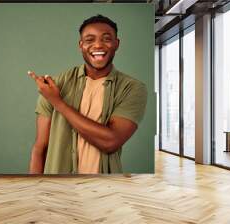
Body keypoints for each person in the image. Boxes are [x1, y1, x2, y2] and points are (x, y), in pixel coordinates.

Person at [28, 14, 147, 174]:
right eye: (90, 40)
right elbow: (39, 148)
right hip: (58, 189)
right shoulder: (54, 85)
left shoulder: (132, 88)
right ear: (81, 45)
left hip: (104, 190)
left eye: (106, 39)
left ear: (116, 44)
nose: (98, 45)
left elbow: (111, 141)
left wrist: (58, 103)